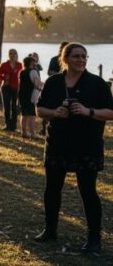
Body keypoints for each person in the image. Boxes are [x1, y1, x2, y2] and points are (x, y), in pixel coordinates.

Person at [34, 43, 113, 254]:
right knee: (52, 189)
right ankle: (50, 230)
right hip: (57, 144)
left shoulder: (97, 84)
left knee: (88, 192)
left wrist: (88, 111)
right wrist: (55, 112)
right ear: (65, 58)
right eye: (76, 56)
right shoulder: (53, 82)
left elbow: (111, 112)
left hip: (87, 145)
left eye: (84, 56)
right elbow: (39, 110)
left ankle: (94, 238)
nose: (81, 60)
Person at [42, 42, 69, 137]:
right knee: (49, 106)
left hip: (68, 87)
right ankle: (44, 127)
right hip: (55, 86)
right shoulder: (54, 59)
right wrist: (60, 74)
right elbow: (49, 72)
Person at [0, 49, 21, 131]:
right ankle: (7, 125)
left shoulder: (20, 65)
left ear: (16, 55)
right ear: (8, 55)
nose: (12, 55)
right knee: (6, 106)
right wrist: (4, 77)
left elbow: (23, 76)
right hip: (6, 87)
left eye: (14, 53)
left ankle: (13, 126)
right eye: (10, 53)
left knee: (14, 106)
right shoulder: (4, 65)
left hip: (16, 88)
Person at [18, 56, 43, 139]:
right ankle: (33, 134)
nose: (35, 63)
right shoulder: (33, 72)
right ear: (31, 63)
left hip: (22, 95)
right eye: (34, 61)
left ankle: (24, 132)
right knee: (32, 115)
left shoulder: (22, 72)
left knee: (24, 114)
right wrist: (42, 87)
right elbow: (37, 83)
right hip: (31, 95)